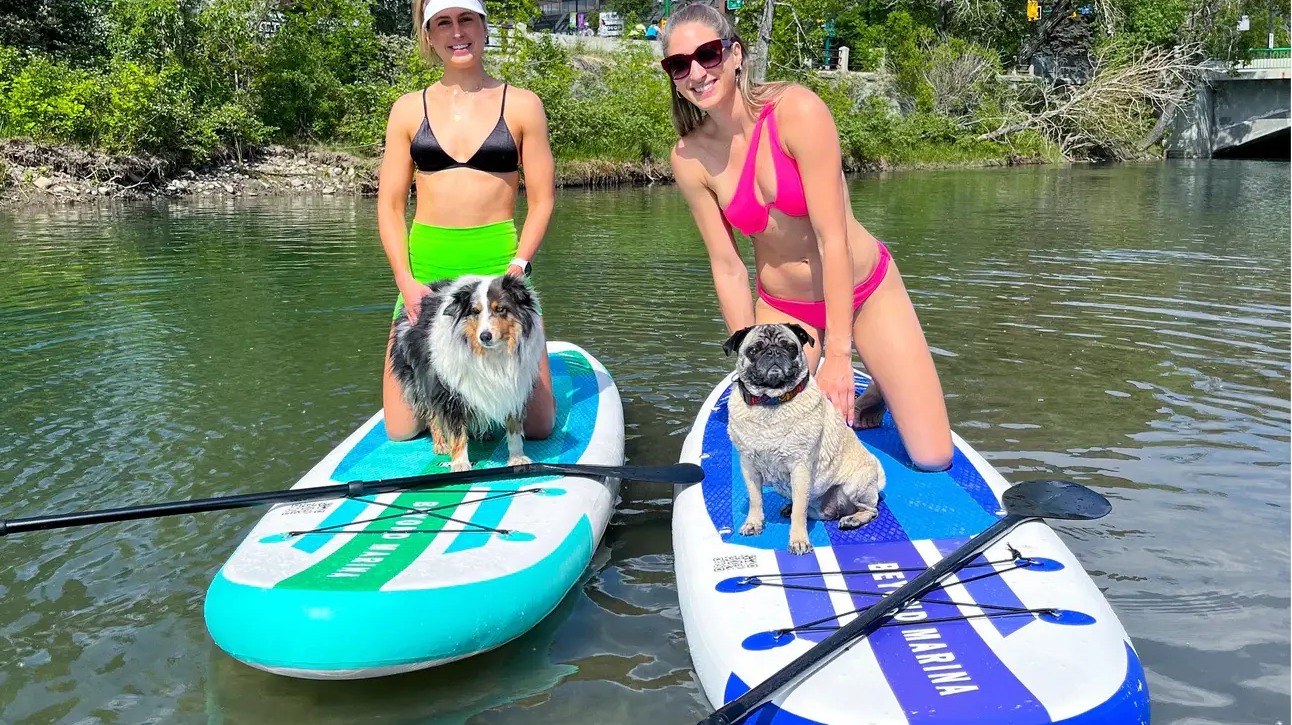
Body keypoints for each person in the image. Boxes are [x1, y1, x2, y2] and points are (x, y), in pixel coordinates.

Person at [660, 3, 953, 471]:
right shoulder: (689, 157)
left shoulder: (796, 111)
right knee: (772, 445)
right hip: (784, 309)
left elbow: (830, 238)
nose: (696, 72)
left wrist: (840, 352)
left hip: (864, 291)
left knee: (933, 456)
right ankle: (861, 371)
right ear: (672, 76)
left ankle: (880, 379)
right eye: (679, 64)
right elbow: (728, 266)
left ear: (735, 54)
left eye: (708, 55)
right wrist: (747, 353)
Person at [376, 0, 556, 442]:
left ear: (482, 26)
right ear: (429, 35)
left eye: (466, 20)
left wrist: (519, 265)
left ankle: (497, 384)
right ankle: (460, 398)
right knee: (401, 429)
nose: (457, 32)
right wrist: (404, 279)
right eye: (443, 23)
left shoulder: (523, 105)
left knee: (538, 426)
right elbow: (390, 205)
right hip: (427, 272)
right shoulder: (406, 110)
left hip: (498, 269)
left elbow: (543, 200)